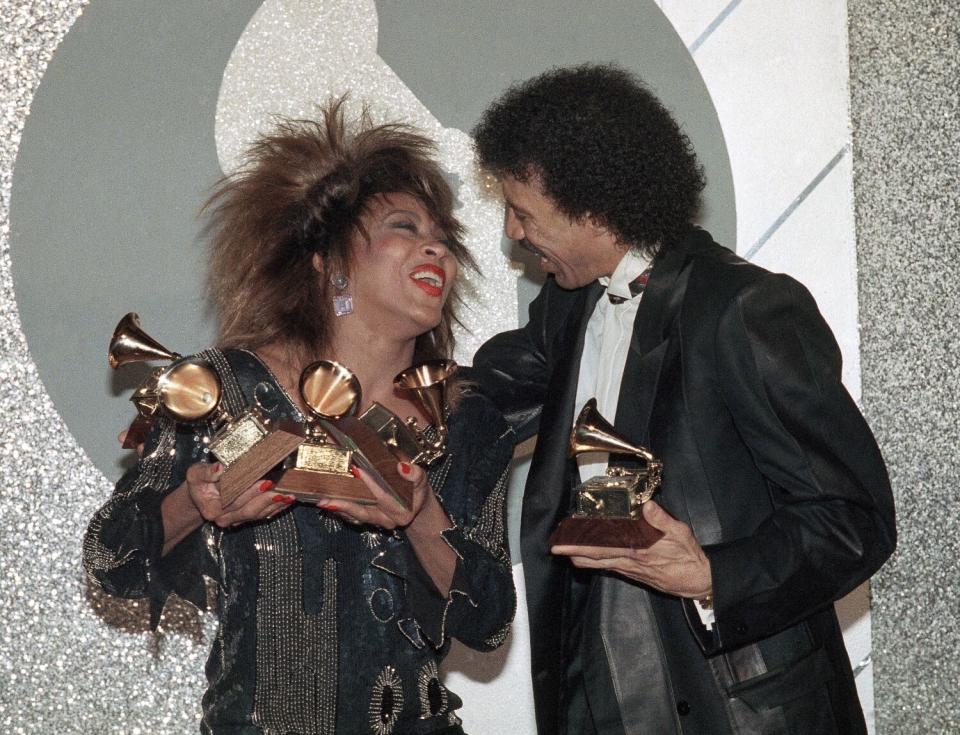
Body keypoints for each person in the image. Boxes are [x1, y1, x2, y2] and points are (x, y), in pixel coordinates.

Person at [469, 64, 896, 734]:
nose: (512, 233)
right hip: (596, 696)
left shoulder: (743, 309)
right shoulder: (568, 304)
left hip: (739, 711)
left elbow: (853, 518)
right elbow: (489, 389)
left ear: (595, 209)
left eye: (523, 212)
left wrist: (710, 575)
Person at [83, 100, 515, 735]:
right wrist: (194, 501)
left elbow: (489, 618)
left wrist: (422, 514)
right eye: (405, 226)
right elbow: (109, 557)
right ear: (328, 259)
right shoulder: (227, 385)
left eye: (445, 238)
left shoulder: (465, 415)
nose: (437, 248)